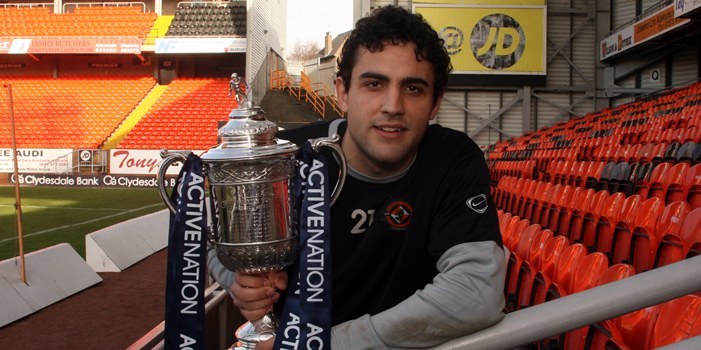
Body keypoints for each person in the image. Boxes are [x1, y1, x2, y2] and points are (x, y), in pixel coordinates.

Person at [208, 5, 506, 349]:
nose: (393, 105)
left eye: (413, 88)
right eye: (374, 84)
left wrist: (325, 345)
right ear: (343, 93)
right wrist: (239, 281)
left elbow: (477, 291)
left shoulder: (452, 158)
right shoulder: (287, 158)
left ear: (435, 103)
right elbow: (216, 236)